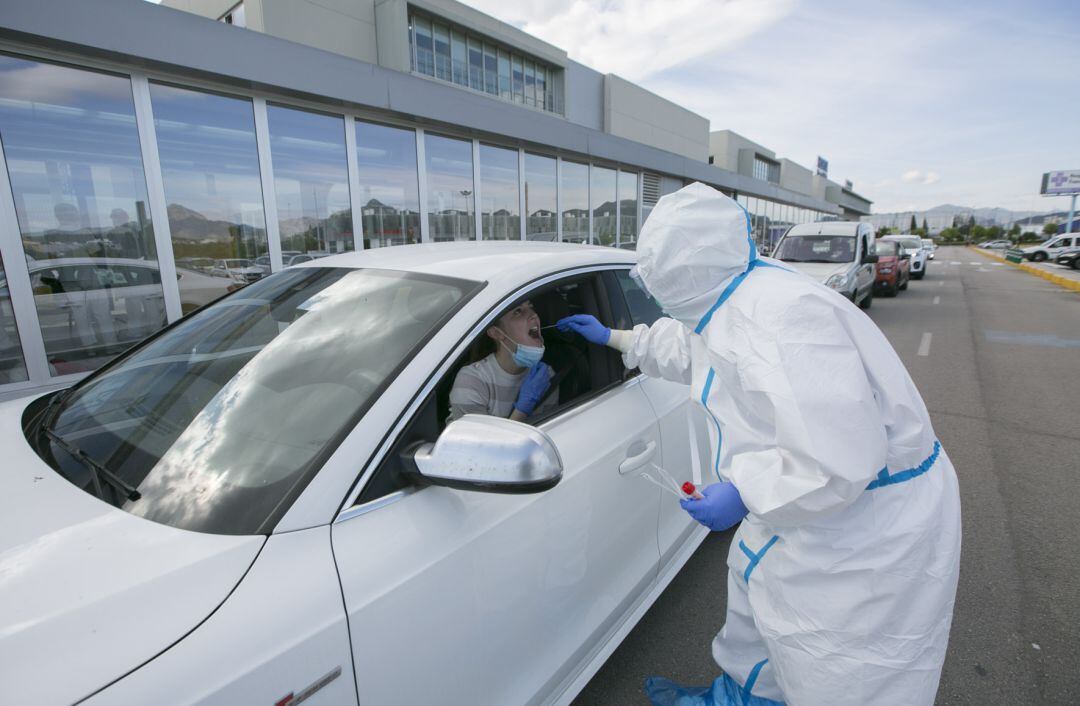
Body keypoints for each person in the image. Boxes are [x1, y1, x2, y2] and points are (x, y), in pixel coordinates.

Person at [557, 183, 961, 706]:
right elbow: (693, 344)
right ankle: (738, 697)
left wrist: (744, 492)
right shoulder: (728, 293)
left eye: (665, 282)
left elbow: (840, 461)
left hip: (863, 530)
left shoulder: (788, 320)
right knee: (759, 617)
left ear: (686, 274)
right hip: (799, 509)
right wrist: (616, 338)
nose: (658, 293)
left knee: (836, 665)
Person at [447, 300, 556, 424]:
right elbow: (480, 443)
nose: (533, 315)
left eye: (531, 307)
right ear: (497, 333)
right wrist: (522, 410)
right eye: (518, 311)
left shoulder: (544, 376)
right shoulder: (471, 381)